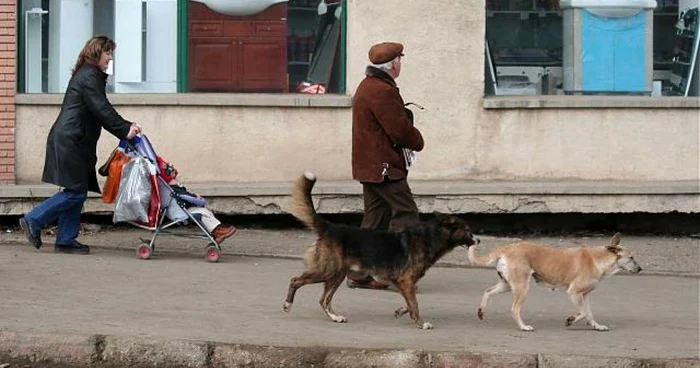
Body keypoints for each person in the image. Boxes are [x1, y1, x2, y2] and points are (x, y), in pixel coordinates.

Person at [19, 35, 142, 255]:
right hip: (70, 140)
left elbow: (100, 110)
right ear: (97, 53)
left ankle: (65, 239)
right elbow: (101, 109)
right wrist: (125, 129)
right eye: (108, 53)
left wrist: (125, 127)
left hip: (75, 141)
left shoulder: (89, 75)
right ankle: (33, 220)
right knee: (75, 192)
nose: (110, 58)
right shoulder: (88, 77)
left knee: (76, 190)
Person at [348, 42, 425, 289]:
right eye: (400, 60)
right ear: (394, 64)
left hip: (370, 165)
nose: (401, 63)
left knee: (375, 220)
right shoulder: (382, 90)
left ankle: (358, 273)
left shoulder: (367, 85)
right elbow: (399, 130)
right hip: (384, 166)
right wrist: (418, 139)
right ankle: (398, 273)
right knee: (406, 216)